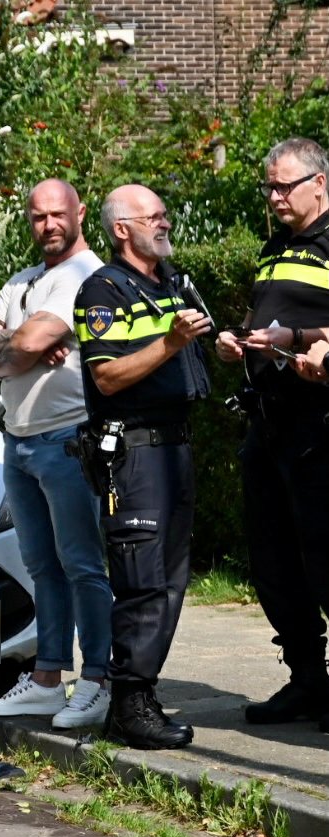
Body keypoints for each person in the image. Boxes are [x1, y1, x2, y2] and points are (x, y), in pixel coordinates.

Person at [0, 179, 112, 730]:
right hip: (18, 441)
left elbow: (16, 344)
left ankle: (97, 679)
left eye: (57, 215)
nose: (48, 225)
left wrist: (11, 346)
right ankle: (48, 679)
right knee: (43, 567)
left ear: (79, 214)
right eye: (37, 216)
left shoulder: (86, 277)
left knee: (83, 566)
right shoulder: (23, 280)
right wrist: (12, 352)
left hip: (65, 438)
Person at [74, 184, 212, 749]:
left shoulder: (173, 282)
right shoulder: (101, 290)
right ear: (121, 229)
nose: (163, 222)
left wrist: (217, 345)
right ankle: (130, 705)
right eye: (151, 216)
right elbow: (106, 377)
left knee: (170, 580)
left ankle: (139, 695)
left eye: (164, 214)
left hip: (174, 446)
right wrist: (170, 343)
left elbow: (186, 353)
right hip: (134, 453)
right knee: (141, 579)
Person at [214, 138, 329, 731]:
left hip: (319, 426)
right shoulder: (273, 247)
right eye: (270, 187)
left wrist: (296, 338)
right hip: (268, 423)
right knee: (274, 559)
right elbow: (271, 317)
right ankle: (308, 678)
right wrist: (241, 337)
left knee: (325, 555)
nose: (275, 196)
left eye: (284, 185)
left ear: (320, 183)